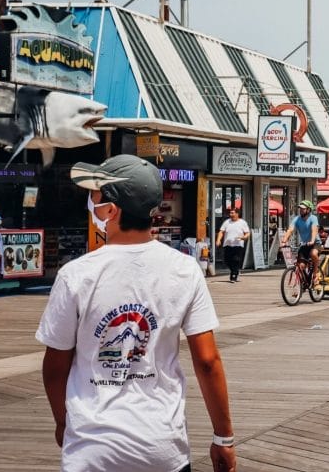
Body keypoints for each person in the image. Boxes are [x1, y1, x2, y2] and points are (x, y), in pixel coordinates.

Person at [35, 154, 236, 472]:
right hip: (161, 447)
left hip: (92, 450)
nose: (92, 203)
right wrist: (223, 437)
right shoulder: (183, 269)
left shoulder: (76, 274)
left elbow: (55, 366)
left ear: (111, 210)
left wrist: (63, 421)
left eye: (96, 197)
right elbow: (208, 361)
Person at [281, 200, 321, 283]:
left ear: (309, 210)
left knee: (313, 254)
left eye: (303, 209)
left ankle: (315, 273)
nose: (301, 210)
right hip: (304, 244)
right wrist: (284, 240)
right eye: (300, 209)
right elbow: (290, 230)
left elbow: (314, 230)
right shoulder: (297, 219)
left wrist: (312, 240)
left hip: (315, 243)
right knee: (300, 266)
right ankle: (300, 286)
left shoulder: (313, 218)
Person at [216, 208, 250, 283]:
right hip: (228, 244)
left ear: (237, 214)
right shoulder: (227, 222)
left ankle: (233, 275)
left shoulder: (242, 222)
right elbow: (221, 232)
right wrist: (218, 240)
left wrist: (244, 237)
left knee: (236, 260)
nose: (231, 214)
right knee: (227, 260)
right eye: (230, 213)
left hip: (238, 245)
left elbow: (247, 233)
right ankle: (235, 271)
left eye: (232, 213)